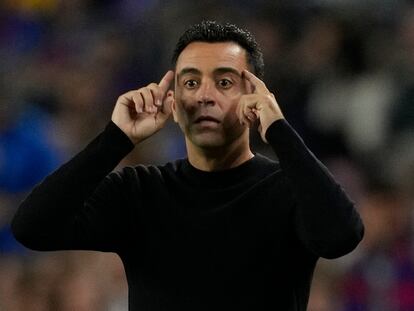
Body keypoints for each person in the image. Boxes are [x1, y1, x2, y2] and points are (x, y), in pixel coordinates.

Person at [11, 21, 364, 311]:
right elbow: (33, 227)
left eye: (224, 82)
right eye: (191, 82)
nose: (204, 95)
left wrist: (279, 131)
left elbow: (341, 236)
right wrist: (114, 140)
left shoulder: (289, 189)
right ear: (175, 105)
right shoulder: (140, 191)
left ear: (256, 98)